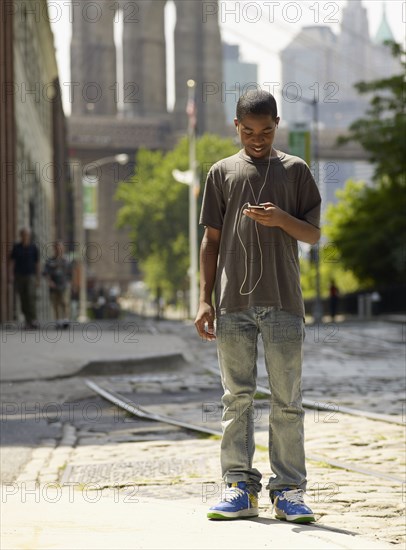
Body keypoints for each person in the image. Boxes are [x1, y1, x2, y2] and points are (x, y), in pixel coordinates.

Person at [195, 90, 321, 523]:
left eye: (265, 131)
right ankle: (239, 487)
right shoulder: (221, 172)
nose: (257, 139)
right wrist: (203, 300)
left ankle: (288, 491)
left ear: (277, 124)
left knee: (287, 400)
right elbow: (210, 242)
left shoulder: (296, 170)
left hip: (284, 302)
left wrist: (281, 219)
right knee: (237, 399)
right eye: (248, 131)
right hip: (233, 305)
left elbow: (313, 234)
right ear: (236, 127)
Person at [9, 228, 40, 328]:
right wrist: (11, 275)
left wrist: (37, 277)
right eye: (23, 234)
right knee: (23, 298)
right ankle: (27, 321)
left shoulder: (33, 248)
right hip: (19, 275)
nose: (25, 236)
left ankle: (33, 319)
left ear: (29, 236)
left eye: (26, 234)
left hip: (30, 276)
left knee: (31, 296)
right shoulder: (16, 247)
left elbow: (37, 263)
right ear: (20, 236)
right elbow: (12, 262)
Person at [43, 241, 72, 327]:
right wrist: (50, 282)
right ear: (54, 249)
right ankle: (58, 320)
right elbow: (45, 273)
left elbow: (71, 273)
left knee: (65, 302)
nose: (58, 249)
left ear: (63, 249)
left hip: (64, 285)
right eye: (56, 247)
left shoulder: (66, 261)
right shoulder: (50, 261)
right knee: (56, 303)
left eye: (60, 247)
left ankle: (66, 320)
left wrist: (70, 283)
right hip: (54, 286)